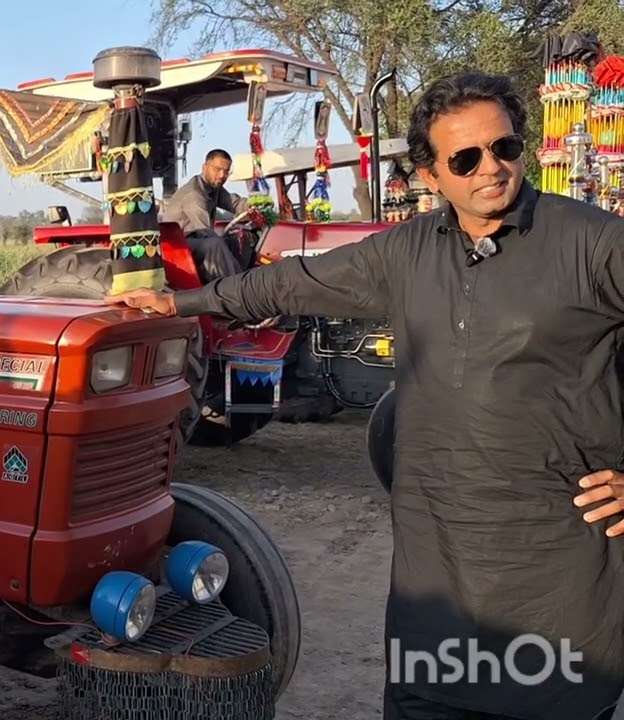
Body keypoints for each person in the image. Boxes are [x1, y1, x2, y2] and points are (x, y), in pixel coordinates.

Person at [108, 71, 624, 720]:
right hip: (438, 565)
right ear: (431, 175)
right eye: (466, 158)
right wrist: (183, 302)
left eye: (505, 147)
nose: (492, 168)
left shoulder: (592, 243)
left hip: (557, 565)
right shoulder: (408, 252)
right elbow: (290, 284)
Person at [162, 148, 254, 282]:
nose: (222, 175)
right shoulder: (194, 194)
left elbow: (235, 203)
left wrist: (256, 205)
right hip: (179, 247)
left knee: (236, 240)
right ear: (204, 167)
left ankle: (246, 280)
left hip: (197, 241)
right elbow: (204, 231)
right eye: (217, 169)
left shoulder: (214, 188)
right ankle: (236, 287)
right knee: (214, 244)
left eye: (226, 171)